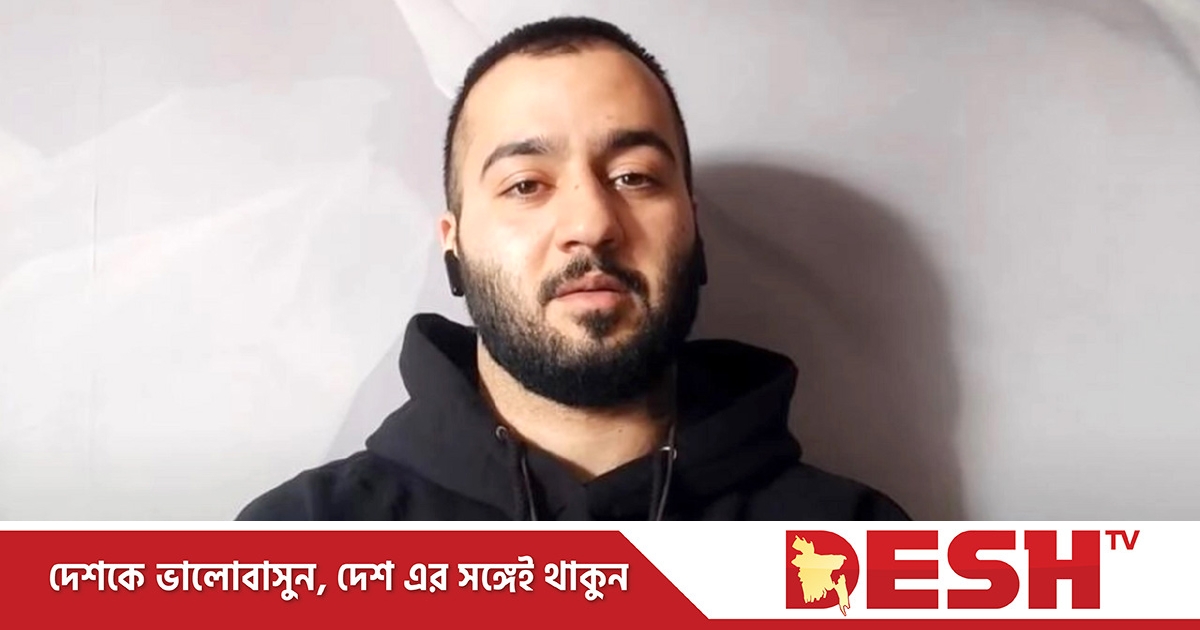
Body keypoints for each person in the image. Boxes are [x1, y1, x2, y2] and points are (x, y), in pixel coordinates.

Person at [238, 16, 908, 521]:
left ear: (694, 227)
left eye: (634, 176)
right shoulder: (295, 547)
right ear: (454, 245)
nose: (591, 224)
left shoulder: (857, 552)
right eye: (526, 184)